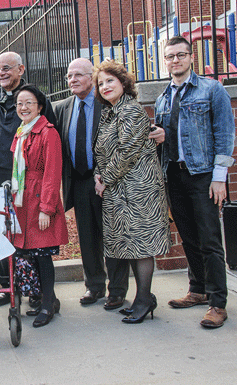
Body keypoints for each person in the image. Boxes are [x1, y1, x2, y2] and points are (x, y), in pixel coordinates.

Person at [155, 36, 235, 328]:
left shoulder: (211, 90)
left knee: (210, 240)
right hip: (174, 175)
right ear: (164, 61)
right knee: (188, 236)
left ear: (191, 58)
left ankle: (217, 302)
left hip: (202, 175)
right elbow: (168, 137)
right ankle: (198, 289)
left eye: (180, 55)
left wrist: (219, 178)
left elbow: (224, 135)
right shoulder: (164, 97)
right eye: (170, 56)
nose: (175, 60)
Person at [0, 51, 57, 308]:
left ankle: (37, 291)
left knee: (29, 238)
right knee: (3, 236)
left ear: (21, 69)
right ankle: (9, 287)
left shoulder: (36, 100)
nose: (1, 73)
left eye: (7, 68)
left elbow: (49, 142)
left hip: (27, 183)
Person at [93, 60, 170, 324]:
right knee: (131, 245)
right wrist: (98, 175)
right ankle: (143, 298)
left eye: (109, 81)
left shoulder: (130, 111)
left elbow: (128, 151)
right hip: (119, 191)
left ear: (124, 83)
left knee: (141, 246)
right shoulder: (110, 113)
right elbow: (102, 151)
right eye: (101, 83)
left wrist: (105, 180)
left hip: (139, 191)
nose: (105, 86)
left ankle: (144, 298)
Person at [54, 58, 130, 309]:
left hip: (107, 181)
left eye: (78, 75)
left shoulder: (107, 103)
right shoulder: (63, 108)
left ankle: (117, 290)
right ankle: (94, 286)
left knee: (112, 236)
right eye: (69, 76)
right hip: (78, 181)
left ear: (92, 77)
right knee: (87, 237)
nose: (72, 80)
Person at [10, 84, 68, 327]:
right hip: (22, 202)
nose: (23, 107)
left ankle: (47, 305)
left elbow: (52, 174)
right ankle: (48, 299)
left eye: (29, 103)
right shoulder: (21, 132)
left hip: (40, 201)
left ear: (40, 107)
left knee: (43, 256)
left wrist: (47, 208)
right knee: (28, 255)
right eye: (20, 104)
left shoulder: (48, 132)